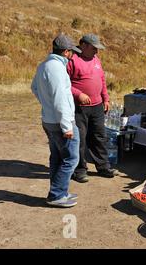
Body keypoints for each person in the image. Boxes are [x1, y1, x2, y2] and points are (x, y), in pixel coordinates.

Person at [31, 34, 81, 208]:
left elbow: (34, 87)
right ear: (66, 52)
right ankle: (56, 195)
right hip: (61, 123)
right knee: (71, 159)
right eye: (72, 52)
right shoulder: (57, 69)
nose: (73, 56)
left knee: (57, 157)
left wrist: (46, 104)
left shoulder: (44, 65)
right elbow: (61, 99)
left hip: (49, 120)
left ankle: (60, 191)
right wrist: (67, 126)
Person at [67, 34, 117, 183]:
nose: (97, 51)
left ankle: (103, 167)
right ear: (84, 46)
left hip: (97, 106)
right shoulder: (72, 60)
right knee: (80, 139)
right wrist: (78, 94)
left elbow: (101, 79)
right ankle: (79, 170)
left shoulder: (96, 59)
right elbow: (63, 83)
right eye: (94, 48)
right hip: (79, 107)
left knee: (99, 137)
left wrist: (106, 98)